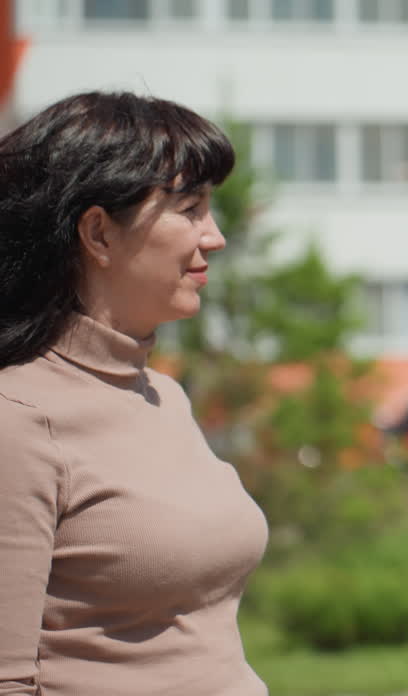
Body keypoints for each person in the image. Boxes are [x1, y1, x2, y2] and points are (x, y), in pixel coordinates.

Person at [0, 92, 268, 695]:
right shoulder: (16, 421)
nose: (215, 237)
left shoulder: (164, 397)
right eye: (190, 208)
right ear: (98, 232)